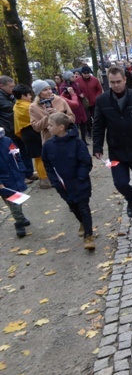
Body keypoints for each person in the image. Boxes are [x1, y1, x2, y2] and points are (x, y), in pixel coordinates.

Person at [93, 66, 132, 228]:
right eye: (112, 82)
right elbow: (98, 125)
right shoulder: (102, 100)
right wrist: (97, 147)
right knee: (120, 182)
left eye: (119, 81)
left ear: (125, 79)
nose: (116, 85)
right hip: (116, 151)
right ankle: (130, 198)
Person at [42, 113, 94, 250]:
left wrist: (81, 177)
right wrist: (54, 181)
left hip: (80, 183)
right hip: (63, 186)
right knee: (73, 207)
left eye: (51, 125)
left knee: (83, 208)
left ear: (61, 127)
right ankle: (82, 223)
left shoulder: (77, 143)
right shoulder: (48, 146)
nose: (48, 127)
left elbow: (86, 162)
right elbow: (47, 164)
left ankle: (88, 236)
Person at [29, 80, 75, 189]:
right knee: (56, 166)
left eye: (49, 88)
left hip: (66, 138)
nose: (49, 91)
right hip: (50, 141)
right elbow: (36, 127)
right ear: (38, 93)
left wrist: (57, 113)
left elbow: (72, 119)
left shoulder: (60, 100)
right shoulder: (33, 107)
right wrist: (47, 117)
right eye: (45, 90)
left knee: (71, 164)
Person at [0, 126, 30, 238]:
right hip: (4, 180)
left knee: (16, 200)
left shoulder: (7, 140)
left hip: (15, 174)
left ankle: (20, 218)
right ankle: (19, 223)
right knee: (13, 202)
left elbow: (16, 154)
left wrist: (21, 169)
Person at [12, 84, 40, 184]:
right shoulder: (28, 107)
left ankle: (41, 175)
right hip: (32, 132)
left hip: (26, 133)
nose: (31, 97)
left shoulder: (16, 105)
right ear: (23, 96)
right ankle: (44, 178)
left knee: (37, 157)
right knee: (40, 156)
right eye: (29, 95)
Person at [76, 65, 104, 141]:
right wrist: (80, 94)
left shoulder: (94, 80)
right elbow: (76, 90)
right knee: (87, 119)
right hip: (84, 103)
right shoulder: (77, 81)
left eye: (88, 73)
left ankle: (97, 131)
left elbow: (99, 89)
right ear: (82, 73)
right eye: (85, 73)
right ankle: (89, 131)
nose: (86, 75)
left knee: (96, 117)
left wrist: (96, 97)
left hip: (94, 102)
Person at [59, 71, 88, 145]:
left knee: (83, 123)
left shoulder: (76, 84)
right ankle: (76, 141)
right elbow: (62, 98)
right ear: (68, 78)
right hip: (71, 107)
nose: (74, 77)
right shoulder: (63, 86)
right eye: (72, 76)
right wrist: (70, 94)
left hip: (80, 106)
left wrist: (81, 94)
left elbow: (81, 91)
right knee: (74, 124)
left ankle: (84, 139)